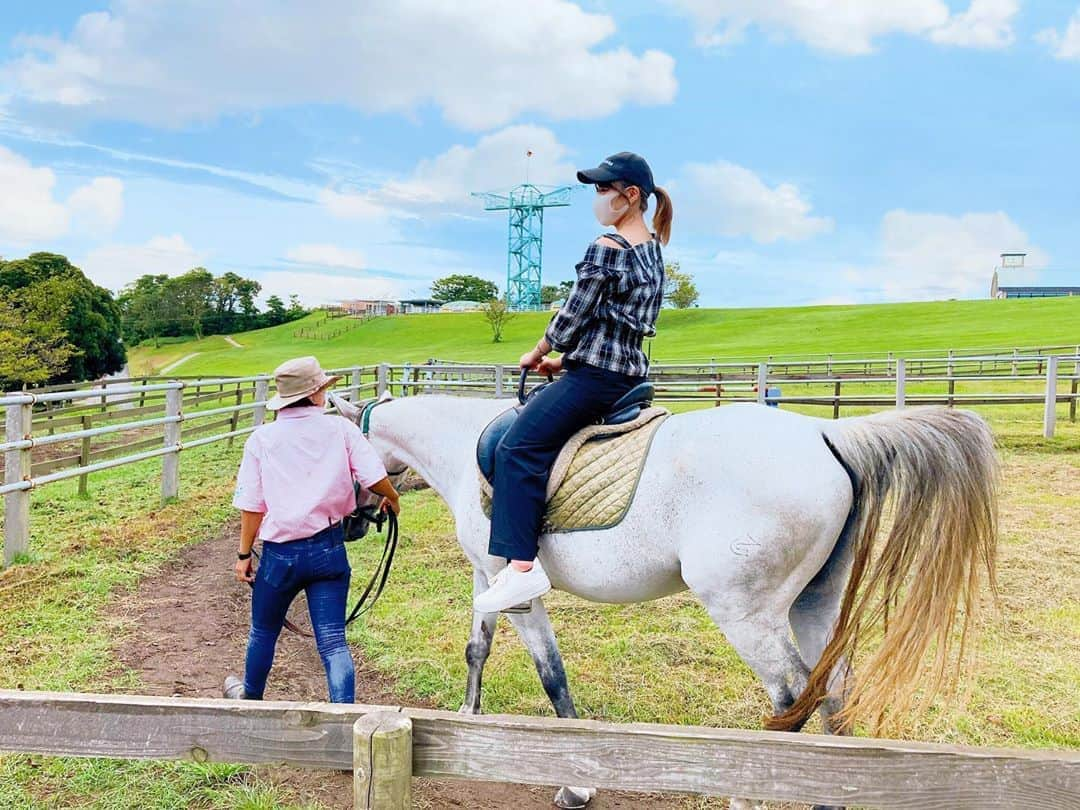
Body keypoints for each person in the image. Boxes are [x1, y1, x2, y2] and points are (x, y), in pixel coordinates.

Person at [474, 152, 673, 614]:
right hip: (624, 373)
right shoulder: (653, 251)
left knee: (518, 448)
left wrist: (540, 351)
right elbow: (615, 327)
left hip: (597, 378)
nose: (598, 198)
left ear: (631, 197)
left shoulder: (607, 247)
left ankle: (521, 568)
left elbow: (574, 316)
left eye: (604, 190)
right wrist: (564, 366)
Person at [223, 355, 401, 702]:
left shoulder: (262, 440)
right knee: (333, 640)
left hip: (279, 556)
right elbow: (374, 477)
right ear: (317, 393)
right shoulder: (341, 430)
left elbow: (252, 506)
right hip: (328, 549)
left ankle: (250, 702)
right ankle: (344, 717)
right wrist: (392, 498)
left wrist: (244, 554)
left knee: (263, 632)